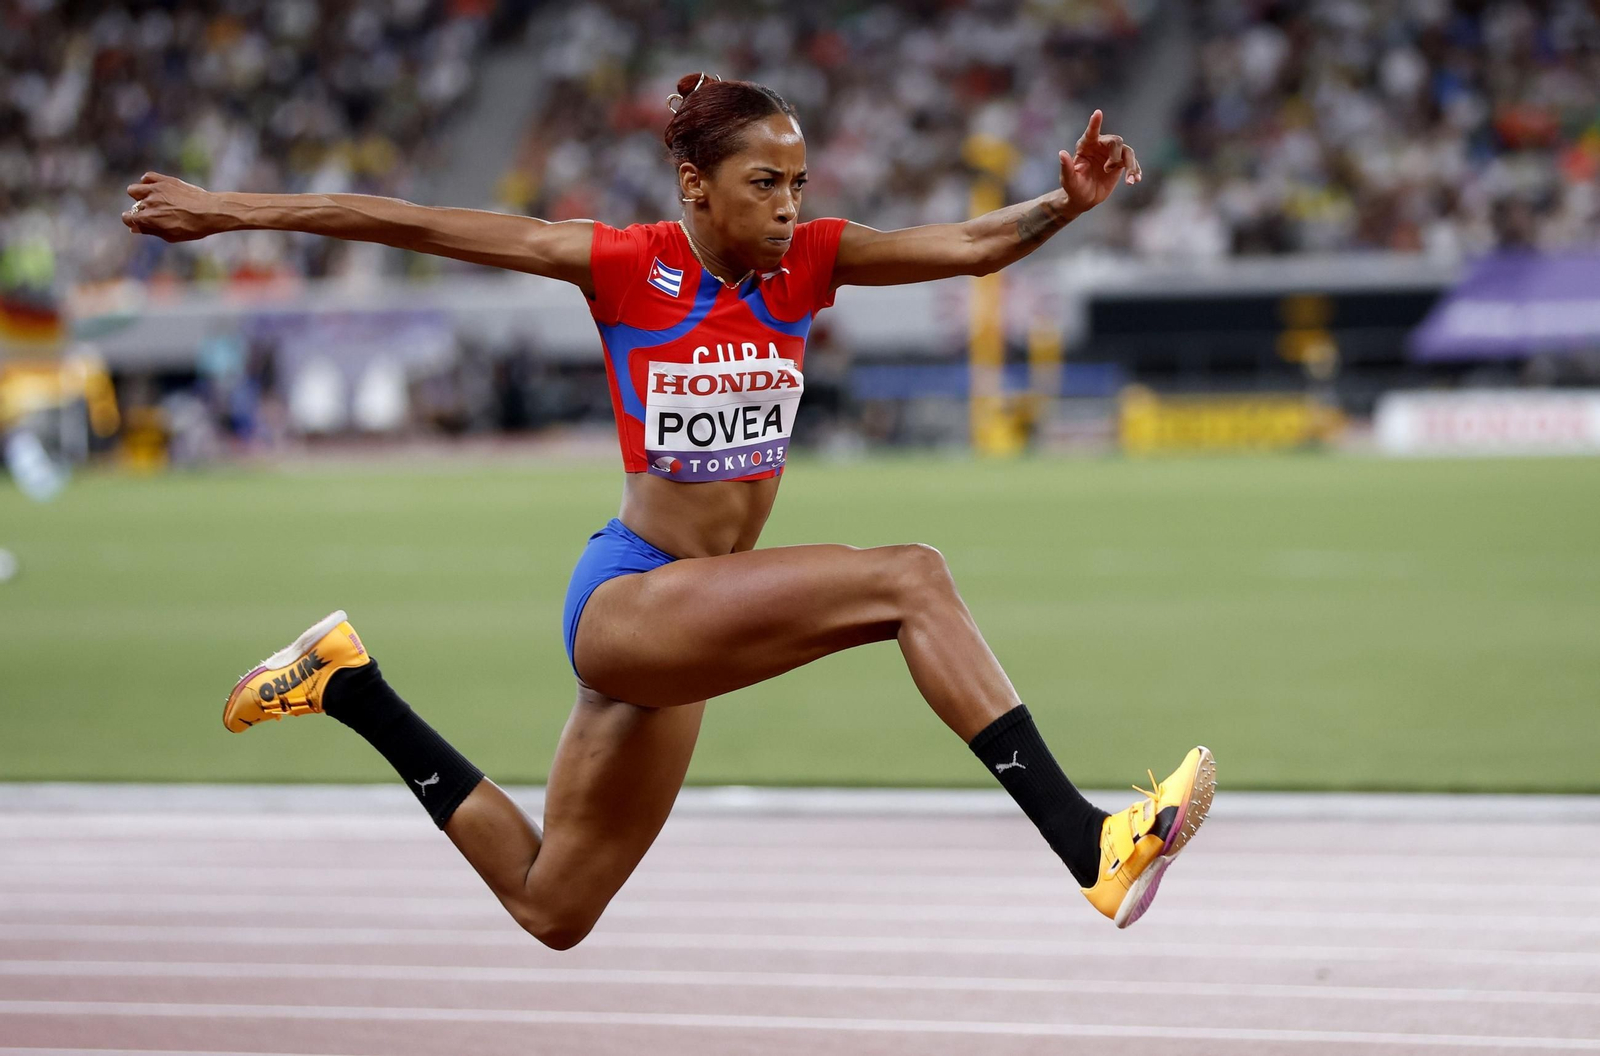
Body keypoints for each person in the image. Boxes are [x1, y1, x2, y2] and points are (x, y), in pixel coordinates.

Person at [124, 73, 1214, 944]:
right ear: (695, 186)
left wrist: (1062, 205)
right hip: (632, 600)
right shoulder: (618, 267)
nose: (789, 205)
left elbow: (971, 246)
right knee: (908, 577)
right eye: (763, 184)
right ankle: (1088, 844)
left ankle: (348, 686)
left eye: (797, 181)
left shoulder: (811, 266)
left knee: (553, 906)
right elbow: (407, 223)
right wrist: (230, 211)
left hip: (695, 619)